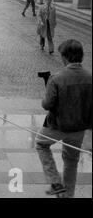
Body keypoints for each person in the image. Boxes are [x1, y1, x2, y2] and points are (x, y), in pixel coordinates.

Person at [35, 39, 92, 198]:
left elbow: (47, 105)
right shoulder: (90, 77)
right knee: (71, 161)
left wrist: (46, 92)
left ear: (65, 57)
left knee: (41, 144)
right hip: (79, 128)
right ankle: (68, 195)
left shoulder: (56, 78)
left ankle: (55, 182)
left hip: (57, 126)